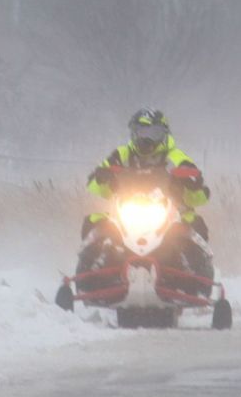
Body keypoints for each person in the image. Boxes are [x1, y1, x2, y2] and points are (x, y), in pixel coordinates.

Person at [80, 109, 213, 281]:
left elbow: (198, 188)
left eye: (153, 134)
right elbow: (94, 183)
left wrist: (192, 181)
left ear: (163, 135)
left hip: (171, 213)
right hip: (125, 210)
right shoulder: (122, 154)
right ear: (133, 133)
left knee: (194, 224)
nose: (146, 140)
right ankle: (89, 276)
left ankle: (198, 278)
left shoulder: (174, 155)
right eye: (142, 133)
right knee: (94, 222)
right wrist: (102, 176)